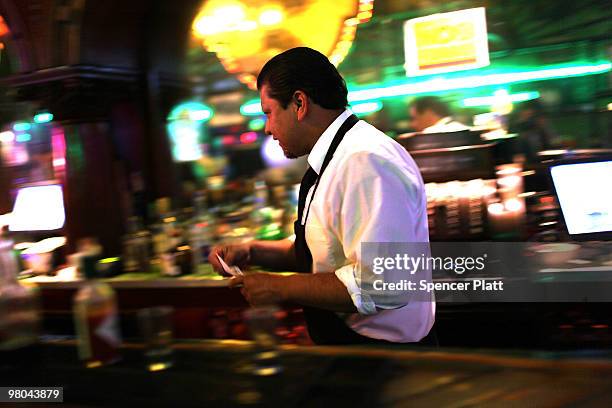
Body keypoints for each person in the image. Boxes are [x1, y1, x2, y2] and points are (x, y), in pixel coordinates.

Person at [209, 47, 435, 345]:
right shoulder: (335, 156)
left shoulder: (364, 160)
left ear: (299, 103)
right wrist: (253, 251)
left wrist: (281, 287)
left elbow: (385, 284)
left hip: (383, 358)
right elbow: (327, 251)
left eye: (269, 113)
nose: (267, 128)